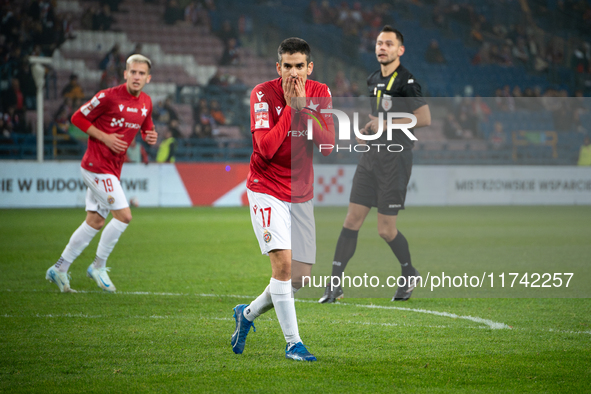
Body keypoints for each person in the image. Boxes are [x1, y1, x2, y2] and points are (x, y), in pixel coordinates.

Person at [231, 38, 334, 361]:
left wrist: (305, 108)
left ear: (309, 67)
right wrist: (291, 110)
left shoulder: (321, 92)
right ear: (278, 67)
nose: (293, 73)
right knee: (284, 266)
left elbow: (329, 145)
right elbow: (265, 148)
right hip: (266, 187)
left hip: (301, 193)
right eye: (287, 66)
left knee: (300, 278)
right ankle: (293, 343)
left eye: (299, 66)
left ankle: (246, 315)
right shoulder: (262, 94)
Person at [319, 25, 431, 304]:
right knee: (351, 220)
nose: (382, 47)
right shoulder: (372, 79)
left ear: (399, 50)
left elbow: (425, 118)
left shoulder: (408, 81)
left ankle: (409, 272)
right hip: (372, 156)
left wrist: (386, 123)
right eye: (379, 43)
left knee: (385, 229)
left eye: (389, 44)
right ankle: (334, 286)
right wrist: (369, 129)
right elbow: (377, 116)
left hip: (396, 158)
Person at [45, 54, 158, 293]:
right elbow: (76, 118)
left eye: (141, 74)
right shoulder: (108, 96)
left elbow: (147, 125)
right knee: (124, 216)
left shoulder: (146, 101)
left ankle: (59, 268)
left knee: (95, 221)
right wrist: (105, 137)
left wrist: (150, 135)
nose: (136, 77)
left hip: (113, 169)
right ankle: (98, 266)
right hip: (96, 166)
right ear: (125, 74)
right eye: (133, 72)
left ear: (148, 78)